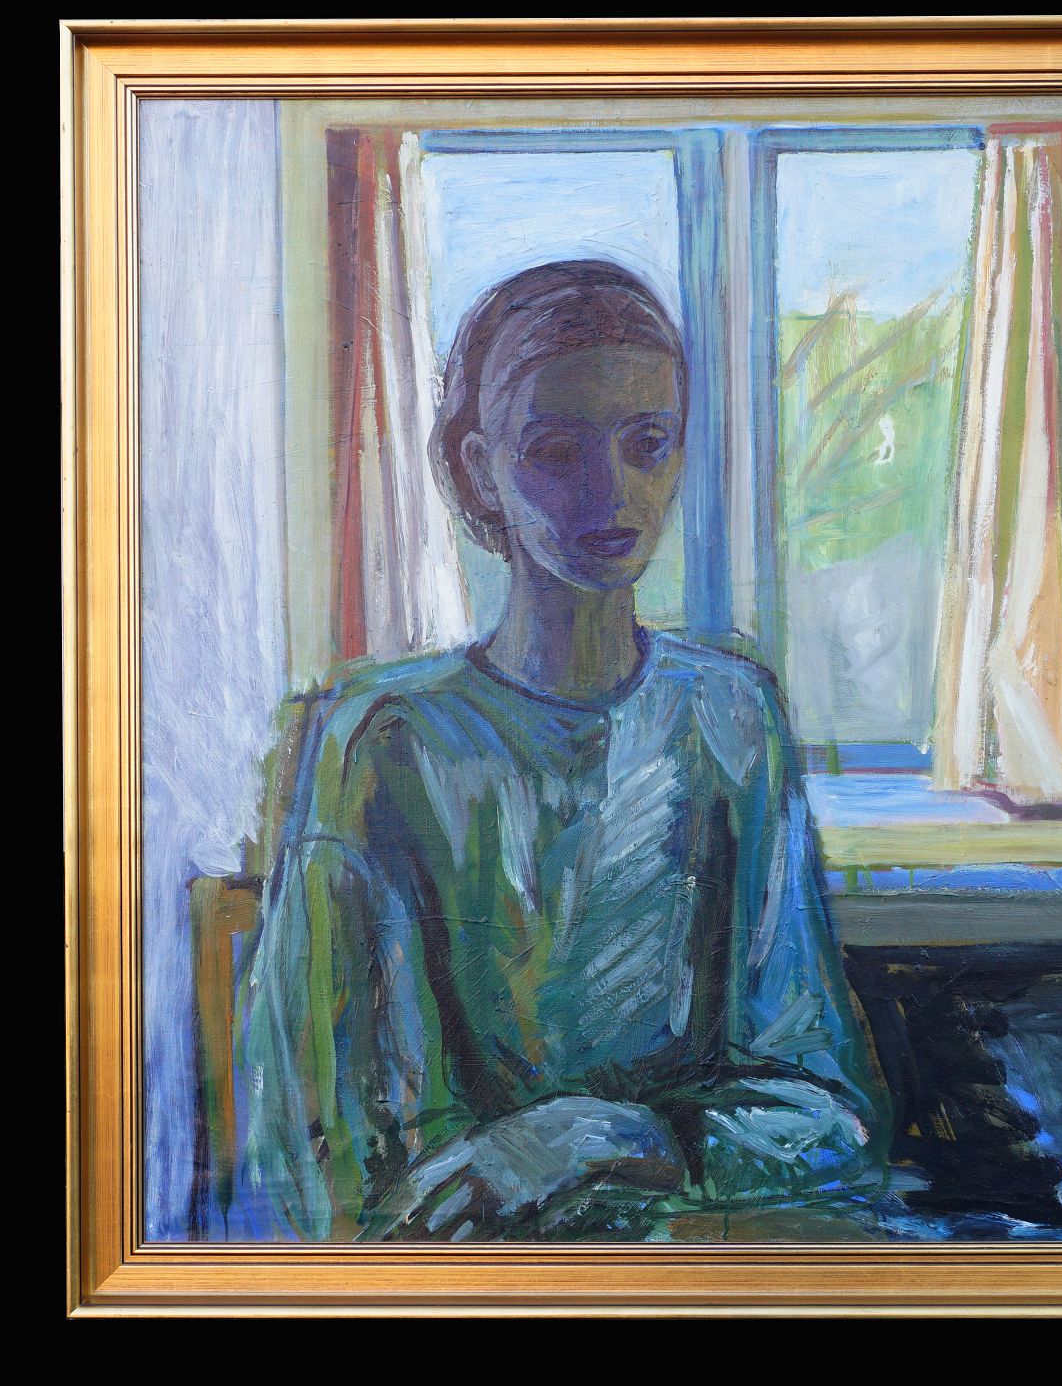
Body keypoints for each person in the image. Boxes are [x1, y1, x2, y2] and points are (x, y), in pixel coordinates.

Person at [236, 259, 893, 1243]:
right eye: (554, 449)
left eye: (647, 444)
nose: (611, 491)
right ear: (475, 469)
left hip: (691, 1265)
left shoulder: (731, 715)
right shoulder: (383, 740)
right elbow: (316, 1160)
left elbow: (831, 1118)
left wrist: (603, 1136)